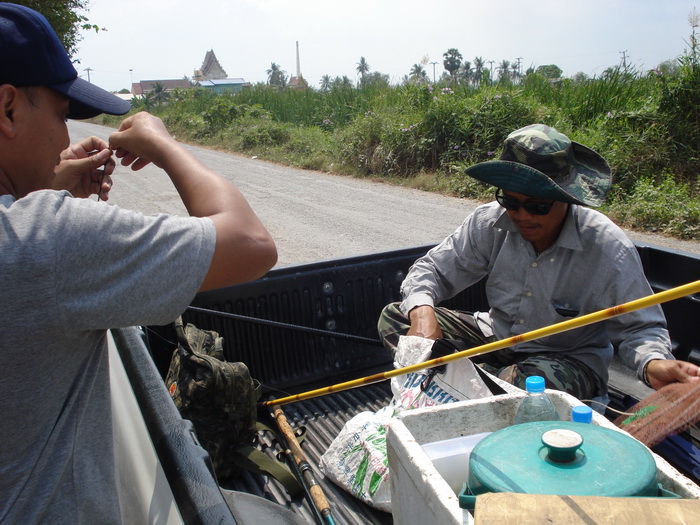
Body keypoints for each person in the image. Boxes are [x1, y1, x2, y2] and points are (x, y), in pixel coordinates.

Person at [0, 4, 277, 524]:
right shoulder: (45, 240)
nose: (64, 139)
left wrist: (44, 186)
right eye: (61, 115)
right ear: (8, 109)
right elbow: (251, 243)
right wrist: (164, 144)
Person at [378, 123, 700, 404]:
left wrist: (653, 364)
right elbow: (430, 270)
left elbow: (640, 327)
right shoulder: (489, 222)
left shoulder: (607, 248)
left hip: (568, 362)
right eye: (511, 201)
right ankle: (465, 386)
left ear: (566, 198)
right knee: (397, 319)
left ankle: (453, 385)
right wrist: (422, 315)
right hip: (499, 339)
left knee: (519, 384)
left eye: (537, 205)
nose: (521, 215)